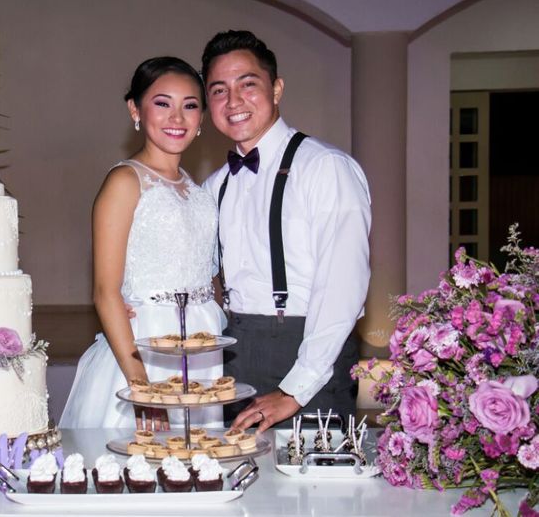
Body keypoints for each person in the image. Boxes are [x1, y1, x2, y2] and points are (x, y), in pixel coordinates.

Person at [200, 30, 371, 433]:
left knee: (313, 492)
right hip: (234, 357)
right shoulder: (214, 185)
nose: (234, 101)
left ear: (276, 89)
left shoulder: (326, 167)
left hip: (311, 358)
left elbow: (342, 288)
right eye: (219, 90)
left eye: (248, 84)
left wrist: (295, 390)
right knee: (239, 488)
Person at [59, 57, 227, 431]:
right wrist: (142, 388)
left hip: (200, 344)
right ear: (136, 109)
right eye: (162, 103)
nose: (177, 118)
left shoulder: (198, 191)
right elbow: (105, 292)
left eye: (190, 105)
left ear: (201, 118)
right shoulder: (124, 181)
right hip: (145, 348)